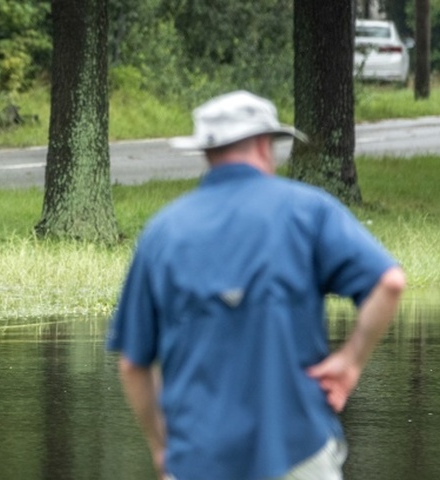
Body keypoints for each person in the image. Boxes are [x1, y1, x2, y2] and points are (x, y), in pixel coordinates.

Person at [107, 90, 406, 480]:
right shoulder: (308, 211)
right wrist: (350, 362)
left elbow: (133, 363)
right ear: (265, 145)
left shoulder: (162, 232)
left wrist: (163, 448)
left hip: (199, 459)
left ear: (207, 154)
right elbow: (390, 282)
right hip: (298, 451)